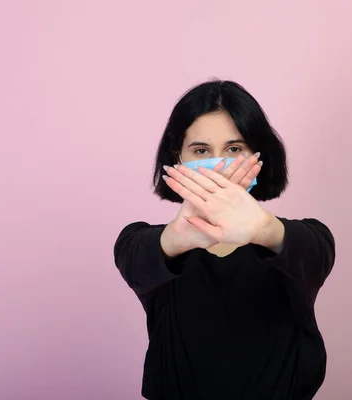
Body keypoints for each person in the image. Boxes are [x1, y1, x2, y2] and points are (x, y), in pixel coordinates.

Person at [113, 79, 336, 400]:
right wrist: (180, 235)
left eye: (234, 149)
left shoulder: (301, 240)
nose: (218, 165)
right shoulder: (144, 243)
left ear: (259, 157)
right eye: (201, 151)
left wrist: (261, 229)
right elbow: (135, 259)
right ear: (178, 160)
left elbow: (314, 253)